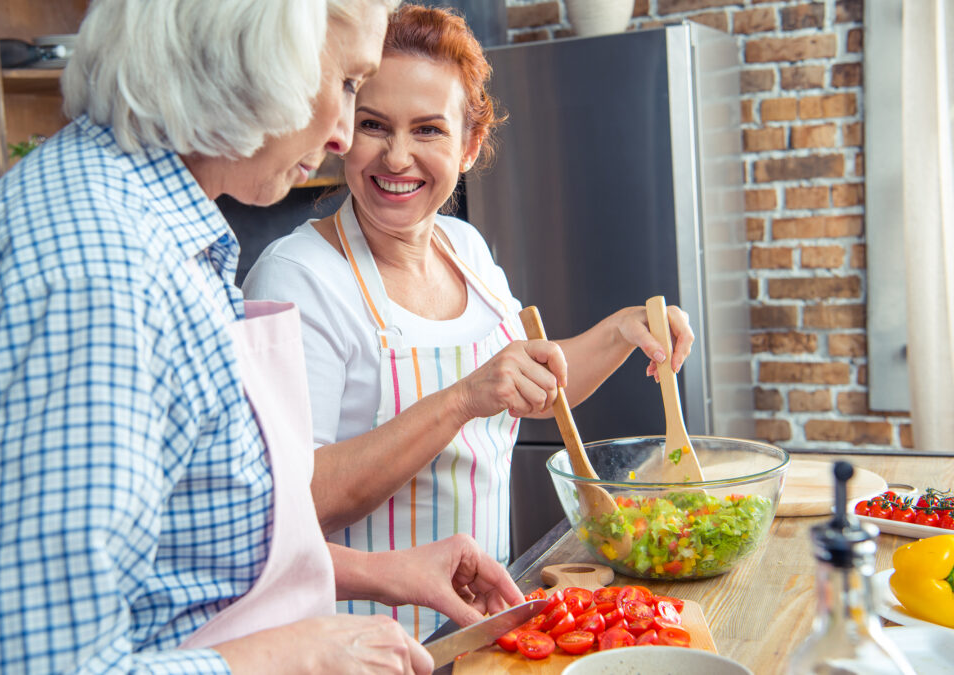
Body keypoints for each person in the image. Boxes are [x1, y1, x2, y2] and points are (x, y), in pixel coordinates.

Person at [0, 1, 523, 673]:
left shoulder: (154, 224)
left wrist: (378, 570)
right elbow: (19, 665)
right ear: (250, 56)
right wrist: (297, 653)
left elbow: (180, 554)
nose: (342, 134)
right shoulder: (104, 268)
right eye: (349, 84)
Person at [243, 4, 695, 639]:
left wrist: (621, 331)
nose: (396, 157)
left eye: (428, 130)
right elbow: (294, 502)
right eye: (374, 124)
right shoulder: (296, 277)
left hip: (478, 627)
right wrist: (461, 399)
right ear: (343, 129)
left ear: (469, 146)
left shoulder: (465, 248)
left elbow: (534, 389)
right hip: (359, 643)